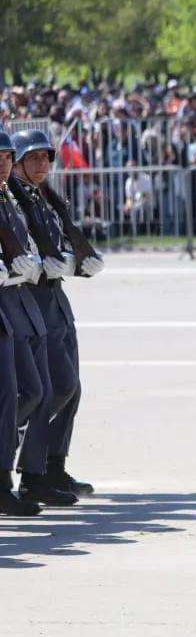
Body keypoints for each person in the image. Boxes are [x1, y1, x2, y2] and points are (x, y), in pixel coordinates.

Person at [8, 128, 104, 504]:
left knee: (70, 388)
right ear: (16, 164)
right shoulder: (16, 200)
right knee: (51, 388)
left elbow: (59, 245)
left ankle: (53, 465)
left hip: (54, 300)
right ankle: (33, 470)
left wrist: (79, 264)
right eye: (32, 158)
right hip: (29, 298)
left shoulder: (45, 200)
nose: (42, 164)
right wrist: (53, 264)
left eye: (46, 157)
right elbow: (31, 252)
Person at [0, 130, 46, 516]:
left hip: (12, 307)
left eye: (5, 156)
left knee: (30, 390)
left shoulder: (9, 199)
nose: (2, 162)